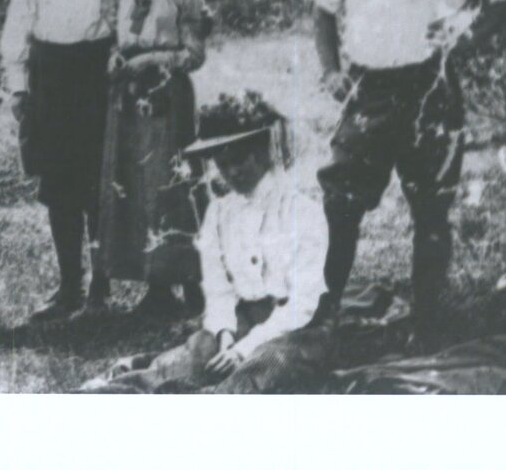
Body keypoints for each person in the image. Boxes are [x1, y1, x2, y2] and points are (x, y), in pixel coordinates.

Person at [312, 0, 506, 348]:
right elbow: (323, 10)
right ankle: (323, 313)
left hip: (432, 91)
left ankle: (428, 324)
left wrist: (467, 37)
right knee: (341, 200)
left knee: (430, 211)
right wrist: (331, 71)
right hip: (370, 90)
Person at [86, 96, 334, 393]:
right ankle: (119, 389)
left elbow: (303, 302)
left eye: (240, 160)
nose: (232, 172)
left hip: (297, 328)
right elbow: (218, 288)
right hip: (243, 319)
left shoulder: (302, 211)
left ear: (261, 153)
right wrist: (225, 333)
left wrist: (244, 349)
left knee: (264, 365)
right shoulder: (220, 212)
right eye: (223, 164)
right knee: (195, 358)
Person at [0, 0, 129, 321]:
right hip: (49, 74)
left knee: (97, 183)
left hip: (97, 73)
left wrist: (122, 61)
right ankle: (68, 286)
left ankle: (101, 288)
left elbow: (128, 15)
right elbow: (19, 18)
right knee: (58, 184)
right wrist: (18, 86)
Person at [97, 0, 208, 319]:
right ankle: (154, 285)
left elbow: (193, 55)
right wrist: (116, 58)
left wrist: (148, 61)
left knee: (170, 183)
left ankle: (191, 280)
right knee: (135, 183)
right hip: (128, 98)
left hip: (165, 96)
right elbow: (120, 36)